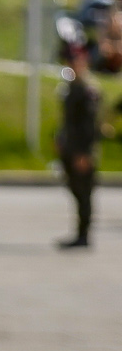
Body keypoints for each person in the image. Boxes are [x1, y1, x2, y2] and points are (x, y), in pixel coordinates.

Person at [58, 40, 103, 249]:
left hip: (82, 149)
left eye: (77, 59)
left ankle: (84, 234)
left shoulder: (88, 89)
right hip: (71, 146)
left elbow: (90, 124)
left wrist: (84, 152)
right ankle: (79, 232)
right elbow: (68, 120)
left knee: (84, 191)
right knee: (75, 189)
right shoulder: (71, 87)